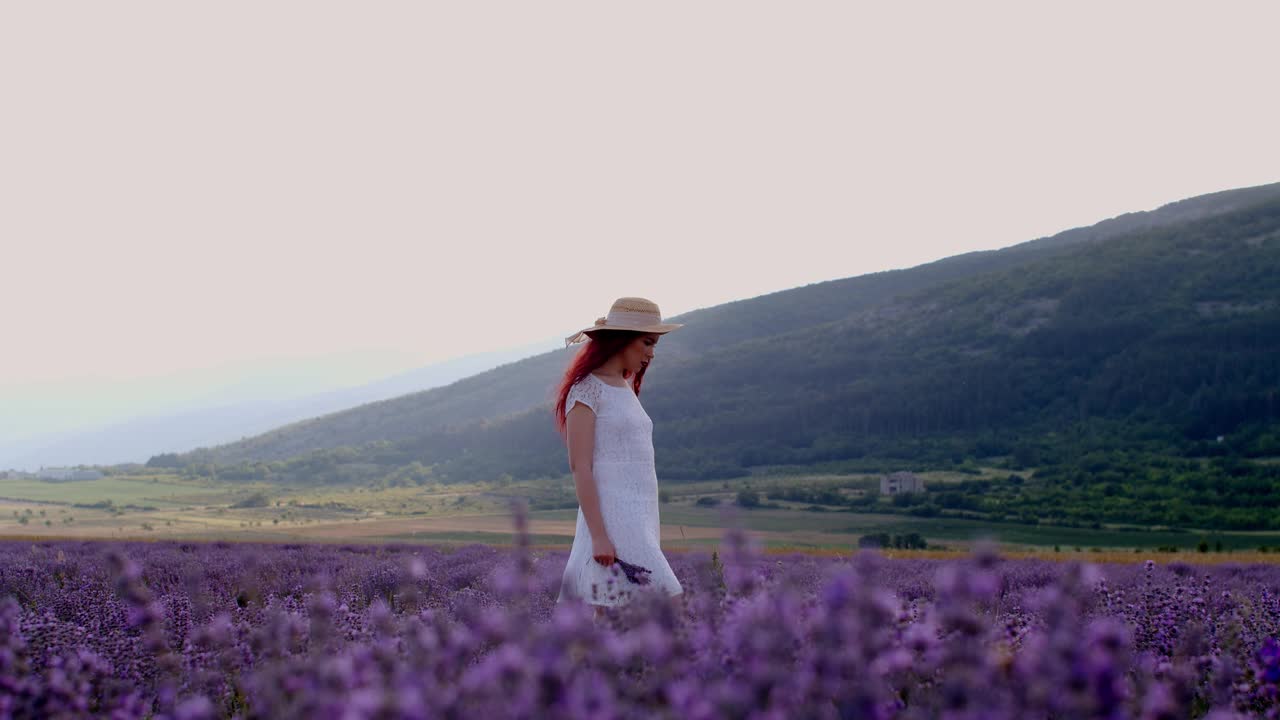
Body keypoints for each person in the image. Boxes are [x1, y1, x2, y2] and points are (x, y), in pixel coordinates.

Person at [554, 297, 685, 621]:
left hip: (639, 517)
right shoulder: (587, 389)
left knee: (614, 615)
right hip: (613, 517)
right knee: (668, 601)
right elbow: (580, 466)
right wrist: (599, 535)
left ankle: (602, 671)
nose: (652, 352)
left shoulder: (622, 388)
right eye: (648, 342)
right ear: (623, 338)